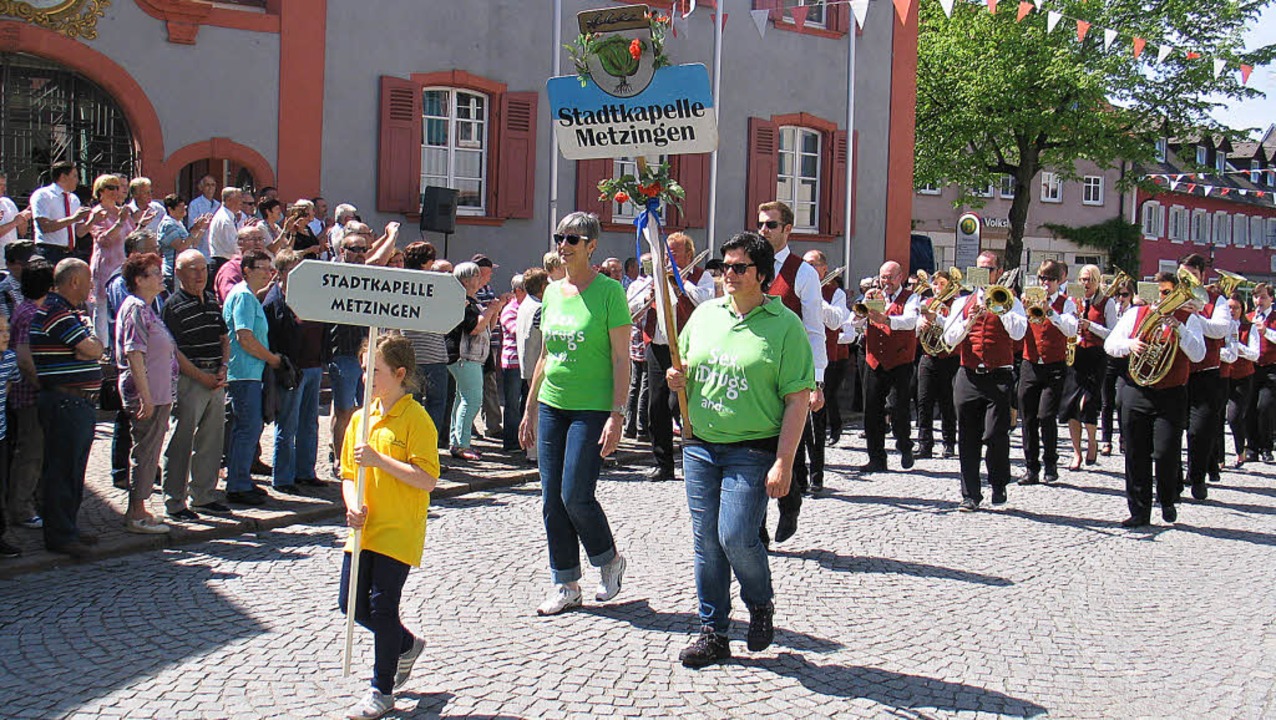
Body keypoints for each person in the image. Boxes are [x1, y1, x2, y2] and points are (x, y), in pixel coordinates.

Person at [666, 232, 814, 668]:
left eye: (738, 267)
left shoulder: (784, 326)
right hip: (700, 447)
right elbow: (687, 365)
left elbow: (797, 399)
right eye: (723, 267)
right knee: (706, 542)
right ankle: (713, 631)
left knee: (735, 536)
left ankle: (760, 601)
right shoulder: (706, 315)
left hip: (752, 450)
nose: (727, 274)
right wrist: (679, 378)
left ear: (762, 275)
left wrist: (784, 463)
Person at [519, 212, 630, 616]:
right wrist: (530, 407)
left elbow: (622, 360)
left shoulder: (609, 292)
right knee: (551, 500)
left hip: (592, 407)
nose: (563, 245)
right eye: (559, 237)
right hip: (553, 403)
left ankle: (609, 560)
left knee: (575, 496)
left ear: (591, 246)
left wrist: (617, 414)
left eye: (573, 239)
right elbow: (546, 354)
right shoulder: (551, 292)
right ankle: (565, 582)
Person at [339, 334, 438, 720]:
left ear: (400, 374)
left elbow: (427, 478)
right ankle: (405, 645)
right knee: (350, 605)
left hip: (399, 529)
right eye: (364, 370)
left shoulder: (417, 419)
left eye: (374, 371)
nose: (366, 378)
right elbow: (348, 474)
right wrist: (352, 506)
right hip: (364, 528)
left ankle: (381, 690)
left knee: (382, 610)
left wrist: (380, 460)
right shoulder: (362, 418)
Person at [1105, 271, 1206, 527]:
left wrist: (1179, 329)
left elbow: (1198, 355)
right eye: (1160, 293)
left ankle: (1168, 498)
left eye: (1169, 293)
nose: (1164, 298)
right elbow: (1111, 344)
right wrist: (1131, 345)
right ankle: (1139, 511)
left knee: (1165, 452)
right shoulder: (1136, 314)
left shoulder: (1188, 319)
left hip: (1171, 393)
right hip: (1137, 390)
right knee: (1136, 453)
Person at [755, 201, 826, 543]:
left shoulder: (803, 272)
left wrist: (817, 381)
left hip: (791, 376)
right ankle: (756, 528)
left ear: (787, 230)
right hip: (755, 374)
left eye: (770, 225)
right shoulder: (750, 266)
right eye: (760, 224)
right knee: (752, 452)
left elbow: (814, 330)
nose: (763, 230)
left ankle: (790, 503)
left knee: (788, 450)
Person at [941, 250, 1028, 512]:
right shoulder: (962, 303)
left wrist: (1000, 309)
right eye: (979, 269)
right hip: (968, 375)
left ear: (998, 273)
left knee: (994, 435)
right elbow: (949, 340)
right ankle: (970, 495)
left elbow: (1019, 332)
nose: (983, 274)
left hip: (999, 375)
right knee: (967, 436)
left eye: (988, 269)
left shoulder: (1011, 301)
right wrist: (968, 321)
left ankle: (999, 482)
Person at [31, 258, 104, 557]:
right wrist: (88, 348)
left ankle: (68, 527)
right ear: (74, 281)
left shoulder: (68, 312)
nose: (90, 286)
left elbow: (91, 348)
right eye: (87, 280)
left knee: (73, 468)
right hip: (65, 400)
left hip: (75, 400)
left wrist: (88, 349)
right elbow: (92, 348)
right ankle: (60, 534)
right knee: (62, 469)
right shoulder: (57, 311)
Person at [629, 232, 714, 482]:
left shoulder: (702, 276)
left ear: (688, 254)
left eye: (674, 252)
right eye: (666, 253)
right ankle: (663, 464)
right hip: (657, 345)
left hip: (689, 348)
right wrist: (646, 298)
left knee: (680, 404)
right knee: (657, 407)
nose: (669, 257)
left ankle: (692, 458)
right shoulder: (654, 276)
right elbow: (631, 305)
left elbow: (706, 300)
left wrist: (680, 281)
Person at [161, 249, 231, 519]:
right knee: (181, 441)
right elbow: (173, 351)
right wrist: (200, 376)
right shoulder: (172, 306)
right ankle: (175, 500)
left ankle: (203, 494)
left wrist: (223, 368)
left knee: (212, 441)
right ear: (178, 273)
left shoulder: (212, 301)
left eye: (203, 268)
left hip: (216, 377)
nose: (200, 274)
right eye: (193, 269)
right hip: (191, 379)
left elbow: (224, 338)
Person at [114, 252, 178, 534]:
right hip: (148, 393)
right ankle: (136, 513)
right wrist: (146, 396)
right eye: (154, 273)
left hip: (160, 391)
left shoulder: (148, 307)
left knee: (150, 453)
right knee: (145, 452)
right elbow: (134, 353)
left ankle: (141, 508)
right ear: (139, 280)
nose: (161, 277)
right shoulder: (136, 309)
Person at [222, 248, 282, 506]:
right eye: (263, 268)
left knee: (247, 428)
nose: (269, 273)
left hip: (249, 372)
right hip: (245, 372)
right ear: (246, 270)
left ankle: (241, 478)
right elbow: (244, 337)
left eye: (271, 268)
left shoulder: (248, 296)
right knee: (247, 428)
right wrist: (272, 359)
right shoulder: (244, 297)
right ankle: (238, 484)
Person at [263, 249, 326, 493]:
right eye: (294, 269)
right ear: (281, 273)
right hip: (291, 370)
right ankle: (283, 478)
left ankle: (305, 472)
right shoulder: (275, 300)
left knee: (309, 424)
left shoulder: (311, 295)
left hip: (313, 365)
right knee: (287, 425)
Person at [849, 260, 918, 475]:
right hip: (874, 359)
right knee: (872, 412)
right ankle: (876, 458)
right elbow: (853, 323)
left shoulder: (911, 297)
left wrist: (886, 320)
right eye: (883, 277)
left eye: (890, 277)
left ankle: (904, 445)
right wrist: (861, 314)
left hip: (900, 360)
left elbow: (910, 321)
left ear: (900, 277)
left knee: (899, 408)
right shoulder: (873, 296)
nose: (885, 282)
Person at [1016, 259, 1077, 484]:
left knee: (1046, 415)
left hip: (1054, 365)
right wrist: (1021, 309)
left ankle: (1051, 464)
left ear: (1060, 281)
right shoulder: (1028, 300)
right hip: (1030, 363)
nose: (1045, 283)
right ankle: (1031, 467)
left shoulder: (1066, 304)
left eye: (1050, 279)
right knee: (1029, 418)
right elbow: (1018, 330)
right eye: (1042, 278)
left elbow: (1071, 329)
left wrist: (1051, 312)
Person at [1179, 254, 1234, 500]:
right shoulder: (1174, 295)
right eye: (1183, 275)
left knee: (1199, 430)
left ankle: (1198, 476)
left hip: (1206, 372)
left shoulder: (1216, 300)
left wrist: (1196, 317)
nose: (1186, 280)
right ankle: (1173, 478)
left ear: (1202, 275)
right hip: (1177, 371)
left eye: (1191, 275)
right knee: (1173, 428)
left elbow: (1221, 329)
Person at [6, 258, 53, 532]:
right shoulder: (29, 314)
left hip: (32, 393)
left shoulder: (28, 310)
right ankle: (21, 508)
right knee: (30, 453)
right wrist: (42, 385)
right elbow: (24, 358)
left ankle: (34, 500)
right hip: (30, 395)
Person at [445, 262, 507, 461]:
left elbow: (490, 325)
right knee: (472, 400)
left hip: (472, 357)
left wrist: (495, 309)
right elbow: (475, 328)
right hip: (465, 356)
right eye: (476, 276)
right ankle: (461, 445)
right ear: (466, 280)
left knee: (461, 399)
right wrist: (491, 310)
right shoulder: (461, 301)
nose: (480, 279)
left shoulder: (472, 300)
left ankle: (457, 442)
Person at [1060, 265, 1117, 472]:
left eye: (1089, 280)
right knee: (1071, 405)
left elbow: (1112, 333)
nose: (1085, 284)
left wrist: (1090, 326)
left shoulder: (1106, 303)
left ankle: (1092, 441)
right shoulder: (1073, 300)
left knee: (1088, 403)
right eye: (1082, 280)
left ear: (1097, 281)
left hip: (1096, 356)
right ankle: (1077, 452)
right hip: (1076, 355)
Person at [401, 242, 450, 444]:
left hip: (408, 353)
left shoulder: (401, 282)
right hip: (433, 354)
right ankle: (428, 449)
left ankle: (408, 447)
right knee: (435, 404)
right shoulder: (437, 284)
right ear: (425, 262)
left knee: (409, 405)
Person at [915, 268, 960, 459]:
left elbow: (953, 327)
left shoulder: (956, 304)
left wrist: (937, 319)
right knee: (924, 401)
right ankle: (924, 444)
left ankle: (949, 443)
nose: (937, 288)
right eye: (935, 284)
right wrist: (921, 325)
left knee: (947, 402)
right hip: (928, 357)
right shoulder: (925, 303)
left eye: (942, 284)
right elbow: (915, 330)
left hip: (950, 358)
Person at [30, 161, 92, 265]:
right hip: (49, 250)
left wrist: (93, 220)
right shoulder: (43, 195)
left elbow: (79, 232)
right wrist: (73, 219)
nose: (77, 180)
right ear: (63, 177)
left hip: (70, 252)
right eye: (75, 176)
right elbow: (45, 227)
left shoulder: (73, 199)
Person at [515, 268, 548, 465]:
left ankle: (532, 449)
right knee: (536, 409)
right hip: (536, 361)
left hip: (527, 361)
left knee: (532, 407)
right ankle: (534, 451)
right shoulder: (539, 308)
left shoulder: (525, 304)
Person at [1223, 293, 1258, 468]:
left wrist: (1239, 347)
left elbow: (1255, 354)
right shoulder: (1220, 326)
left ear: (1242, 309)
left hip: (1242, 376)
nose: (1232, 311)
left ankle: (1239, 450)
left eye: (1236, 307)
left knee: (1234, 417)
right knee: (1215, 417)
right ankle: (1219, 458)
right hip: (1223, 375)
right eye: (1229, 307)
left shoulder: (1248, 327)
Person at [1246, 283, 1276, 463]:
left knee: (1265, 407)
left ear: (1271, 298)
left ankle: (1267, 446)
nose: (1259, 301)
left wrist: (1266, 332)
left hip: (1271, 368)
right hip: (1251, 368)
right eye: (1256, 297)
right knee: (1249, 408)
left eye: (1263, 297)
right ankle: (1252, 447)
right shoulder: (1249, 317)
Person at [156, 194, 210, 286]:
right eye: (180, 207)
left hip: (183, 272)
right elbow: (181, 246)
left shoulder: (178, 223)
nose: (184, 208)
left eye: (184, 206)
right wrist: (194, 230)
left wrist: (202, 228)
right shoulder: (168, 224)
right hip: (172, 273)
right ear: (170, 209)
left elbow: (193, 244)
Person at [0, 315, 19, 557]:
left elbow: (10, 384)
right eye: (0, 330)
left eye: (6, 329)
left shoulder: (9, 358)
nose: (6, 334)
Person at [500, 274, 525, 452]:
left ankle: (524, 440)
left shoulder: (527, 307)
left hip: (525, 362)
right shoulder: (510, 310)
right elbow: (518, 332)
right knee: (512, 404)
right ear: (518, 291)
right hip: (512, 363)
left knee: (525, 403)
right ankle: (510, 442)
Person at [207, 187, 242, 277]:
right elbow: (232, 246)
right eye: (238, 198)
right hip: (222, 262)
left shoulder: (229, 217)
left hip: (224, 261)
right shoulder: (225, 220)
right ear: (229, 200)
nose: (241, 202)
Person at [0, 171, 32, 248]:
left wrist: (24, 218)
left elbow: (22, 232)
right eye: (0, 185)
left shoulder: (8, 203)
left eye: (4, 185)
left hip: (9, 257)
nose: (3, 188)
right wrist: (15, 222)